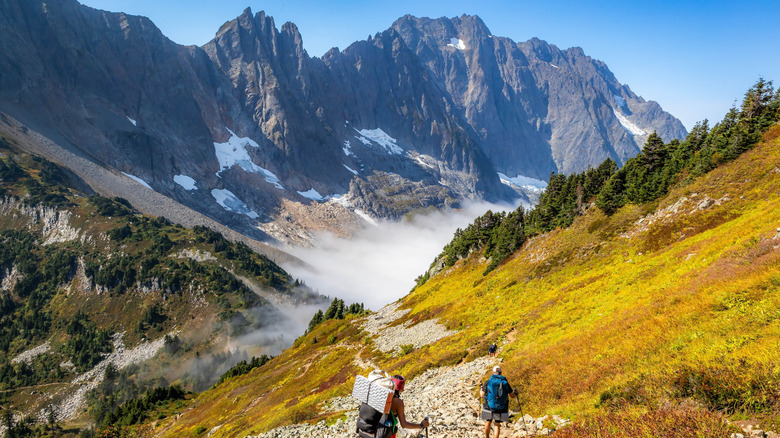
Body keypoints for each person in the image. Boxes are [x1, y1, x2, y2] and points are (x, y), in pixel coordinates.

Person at [480, 366, 514, 438]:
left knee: (488, 422)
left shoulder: (488, 382)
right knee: (497, 425)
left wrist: (481, 387)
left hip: (489, 406)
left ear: (493, 373)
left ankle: (487, 437)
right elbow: (512, 395)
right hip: (501, 407)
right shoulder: (505, 383)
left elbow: (482, 395)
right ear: (501, 373)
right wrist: (516, 393)